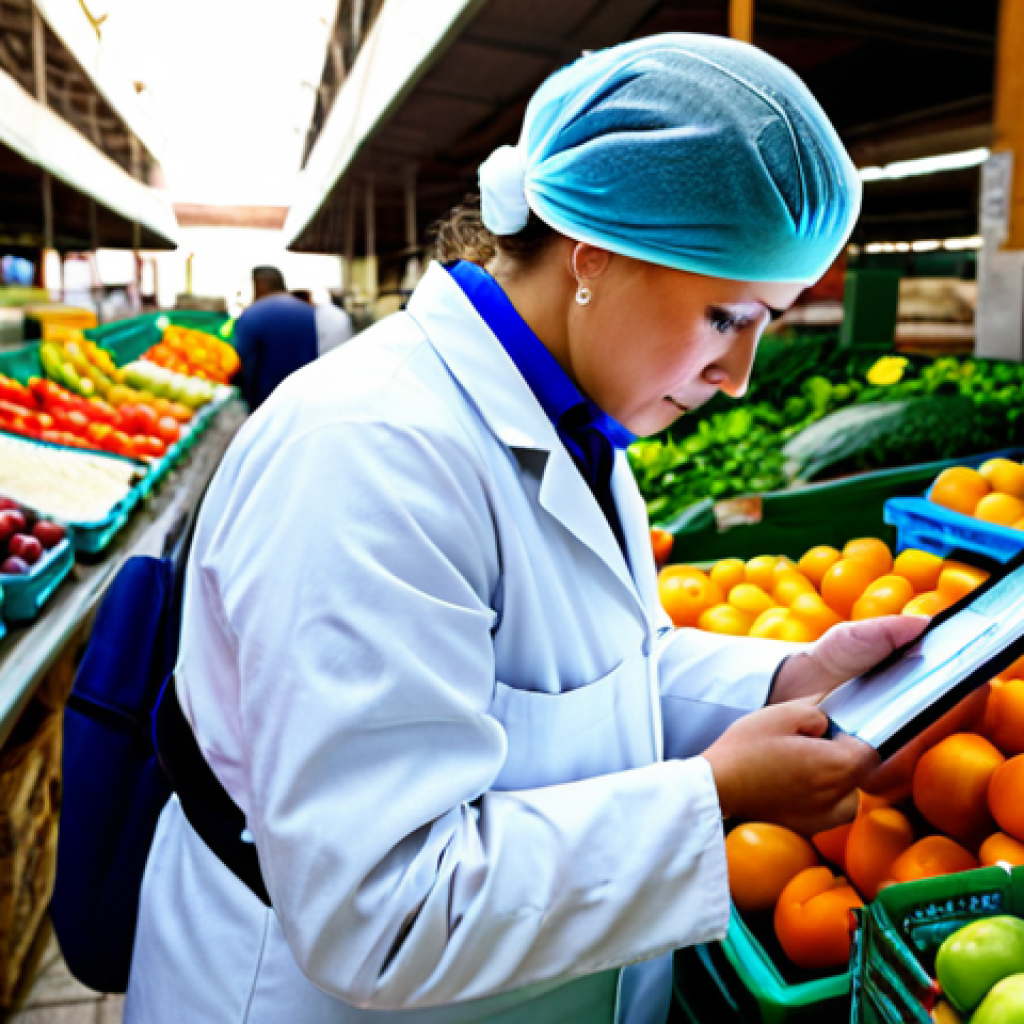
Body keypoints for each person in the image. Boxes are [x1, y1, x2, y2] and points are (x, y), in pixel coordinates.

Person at [126, 35, 928, 1024]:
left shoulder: (566, 420)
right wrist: (712, 798)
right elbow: (382, 910)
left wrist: (779, 681)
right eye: (726, 316)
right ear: (595, 257)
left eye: (769, 321)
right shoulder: (367, 454)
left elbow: (571, 685)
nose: (740, 376)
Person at [231, 266, 318, 409]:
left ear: (259, 284)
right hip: (303, 397)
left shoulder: (254, 314)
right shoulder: (308, 311)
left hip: (266, 400)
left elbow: (240, 359)